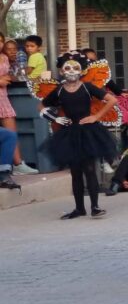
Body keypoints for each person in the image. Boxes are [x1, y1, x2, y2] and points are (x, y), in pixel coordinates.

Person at [39, 51, 119, 219]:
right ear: (61, 71)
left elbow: (112, 100)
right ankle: (79, 208)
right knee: (75, 171)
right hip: (69, 133)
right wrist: (55, 118)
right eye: (67, 67)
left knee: (90, 169)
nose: (71, 70)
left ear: (82, 70)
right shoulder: (59, 90)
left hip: (88, 132)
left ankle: (95, 206)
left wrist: (96, 116)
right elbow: (42, 106)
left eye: (75, 67)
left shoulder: (87, 87)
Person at [0, 32, 34, 175]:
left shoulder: (4, 58)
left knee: (12, 133)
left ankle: (18, 164)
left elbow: (12, 73)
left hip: (3, 97)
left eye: (1, 41)